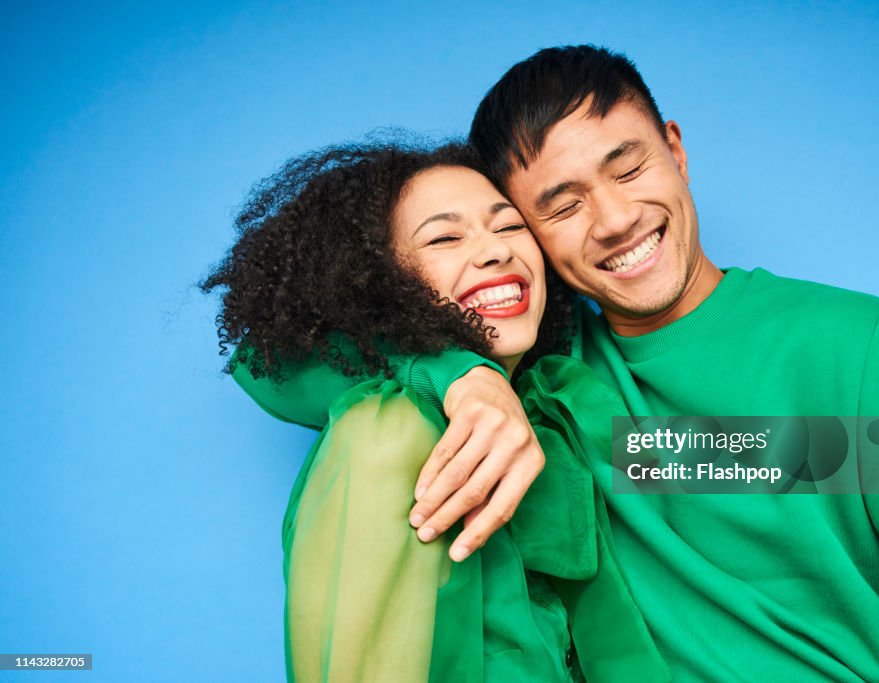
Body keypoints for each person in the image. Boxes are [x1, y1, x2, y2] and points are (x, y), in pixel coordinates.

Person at [240, 47, 879, 681]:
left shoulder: (863, 343)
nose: (615, 220)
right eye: (561, 203)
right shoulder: (545, 377)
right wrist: (465, 378)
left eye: (628, 167)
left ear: (675, 151)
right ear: (532, 239)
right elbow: (264, 363)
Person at [201, 141, 668, 682]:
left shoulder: (564, 406)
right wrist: (459, 375)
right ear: (378, 281)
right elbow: (260, 363)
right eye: (445, 236)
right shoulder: (389, 430)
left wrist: (785, 446)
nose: (496, 251)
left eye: (511, 227)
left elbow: (701, 464)